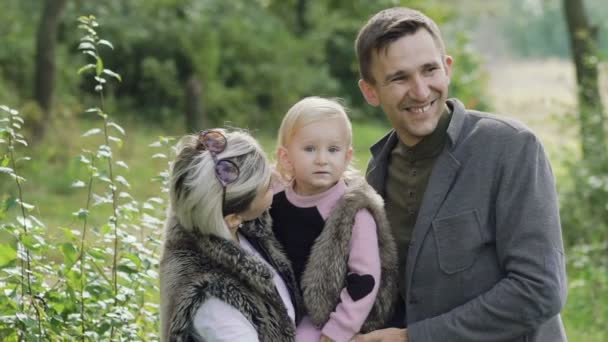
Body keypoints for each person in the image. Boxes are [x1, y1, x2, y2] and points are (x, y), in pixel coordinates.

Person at [353, 7, 568, 342]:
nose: (421, 91)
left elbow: (540, 289)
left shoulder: (511, 148)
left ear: (447, 68)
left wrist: (414, 338)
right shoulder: (377, 172)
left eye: (429, 70)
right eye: (399, 78)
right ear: (370, 92)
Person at [270, 96, 399, 342]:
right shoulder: (272, 199)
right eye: (310, 149)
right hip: (280, 304)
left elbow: (366, 277)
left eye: (333, 150)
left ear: (347, 156)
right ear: (286, 157)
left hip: (325, 316)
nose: (322, 159)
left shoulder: (352, 211)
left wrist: (337, 330)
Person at [159, 129, 302, 342]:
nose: (275, 176)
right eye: (267, 186)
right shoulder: (217, 308)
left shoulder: (211, 213)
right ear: (233, 219)